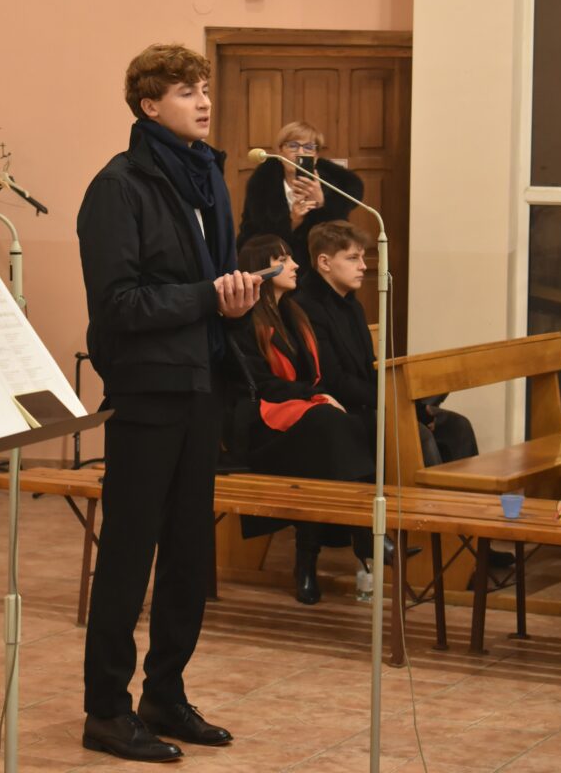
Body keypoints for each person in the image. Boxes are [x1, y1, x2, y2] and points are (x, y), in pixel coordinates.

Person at [77, 43, 261, 763]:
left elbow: (214, 284)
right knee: (128, 556)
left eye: (204, 87)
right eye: (187, 91)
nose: (204, 100)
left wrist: (237, 299)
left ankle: (164, 693)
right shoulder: (117, 187)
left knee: (188, 556)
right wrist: (208, 297)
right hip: (148, 390)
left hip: (203, 383)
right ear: (149, 106)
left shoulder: (207, 176)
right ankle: (105, 710)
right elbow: (118, 305)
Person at [296, 220, 513, 568]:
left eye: (363, 257)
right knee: (417, 436)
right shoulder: (306, 306)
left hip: (369, 402)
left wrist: (410, 404)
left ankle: (472, 541)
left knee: (457, 427)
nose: (364, 266)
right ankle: (432, 546)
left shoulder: (351, 304)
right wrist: (398, 406)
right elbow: (334, 380)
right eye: (353, 258)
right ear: (324, 262)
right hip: (340, 414)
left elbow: (370, 368)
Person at [228, 233, 409, 606]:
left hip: (303, 420)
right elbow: (261, 385)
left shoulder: (295, 314)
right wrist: (315, 397)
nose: (295, 265)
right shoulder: (246, 319)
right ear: (261, 269)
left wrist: (317, 396)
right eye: (283, 260)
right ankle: (365, 535)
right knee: (326, 423)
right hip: (264, 426)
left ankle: (309, 561)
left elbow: (315, 375)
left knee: (351, 429)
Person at [236, 120, 364, 271]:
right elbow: (256, 234)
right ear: (280, 151)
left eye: (309, 147)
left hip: (320, 267)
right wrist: (293, 221)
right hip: (276, 265)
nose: (300, 153)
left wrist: (322, 203)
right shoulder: (262, 183)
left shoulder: (332, 183)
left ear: (316, 155)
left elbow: (337, 236)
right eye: (293, 146)